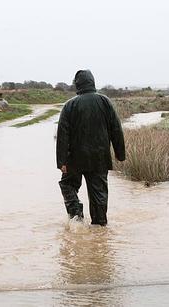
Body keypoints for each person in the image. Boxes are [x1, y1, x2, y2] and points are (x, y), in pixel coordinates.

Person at [56, 70, 125, 226]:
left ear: (77, 84)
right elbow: (116, 129)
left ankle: (76, 216)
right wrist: (120, 154)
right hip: (99, 158)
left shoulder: (70, 105)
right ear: (92, 82)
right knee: (99, 194)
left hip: (75, 158)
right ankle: (99, 227)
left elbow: (62, 135)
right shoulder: (105, 102)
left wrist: (61, 162)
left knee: (67, 184)